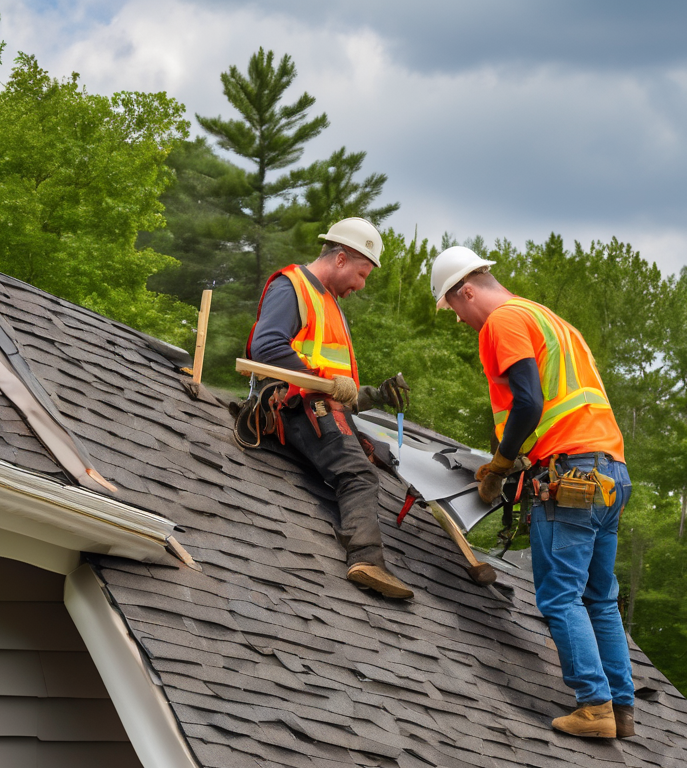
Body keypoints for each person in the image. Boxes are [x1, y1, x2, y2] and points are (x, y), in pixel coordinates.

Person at [431, 245, 635, 739]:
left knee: (559, 597)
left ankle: (594, 706)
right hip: (611, 475)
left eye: (454, 307)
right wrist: (521, 456)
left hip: (570, 478)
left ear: (467, 290)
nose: (460, 320)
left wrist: (500, 465)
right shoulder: (552, 321)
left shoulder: (503, 320)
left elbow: (528, 402)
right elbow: (555, 408)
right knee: (599, 598)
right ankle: (622, 709)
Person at [246, 217, 413, 600]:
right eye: (361, 273)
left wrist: (373, 394)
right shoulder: (293, 286)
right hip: (294, 405)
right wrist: (321, 381)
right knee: (358, 474)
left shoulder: (331, 304)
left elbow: (337, 385)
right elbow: (266, 347)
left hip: (319, 404)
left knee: (381, 457)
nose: (361, 284)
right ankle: (366, 560)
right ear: (340, 259)